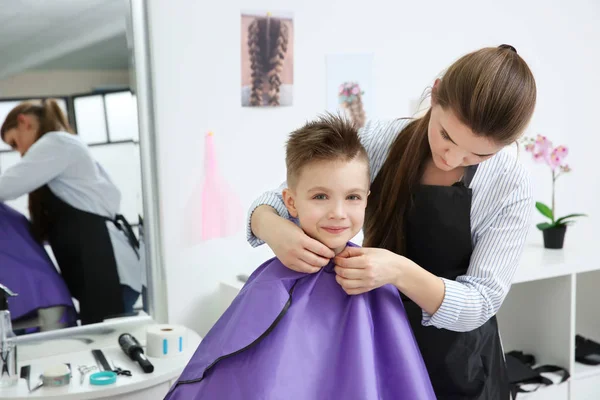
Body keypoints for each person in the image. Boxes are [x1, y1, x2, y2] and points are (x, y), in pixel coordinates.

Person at [247, 45, 536, 399]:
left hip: (462, 368)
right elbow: (282, 198)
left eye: (479, 153)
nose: (452, 157)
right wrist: (271, 226)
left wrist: (398, 271)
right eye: (446, 135)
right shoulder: (380, 141)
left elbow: (481, 302)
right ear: (435, 93)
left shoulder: (510, 185)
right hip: (376, 344)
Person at [165, 114, 436, 400]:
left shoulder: (377, 276)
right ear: (291, 202)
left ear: (367, 198)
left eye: (353, 197)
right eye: (321, 196)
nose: (338, 212)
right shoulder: (273, 281)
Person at [0, 99, 144, 325]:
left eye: (15, 143)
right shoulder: (61, 147)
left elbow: (6, 186)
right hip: (100, 265)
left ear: (23, 122)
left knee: (107, 344)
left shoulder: (55, 143)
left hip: (105, 265)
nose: (20, 152)